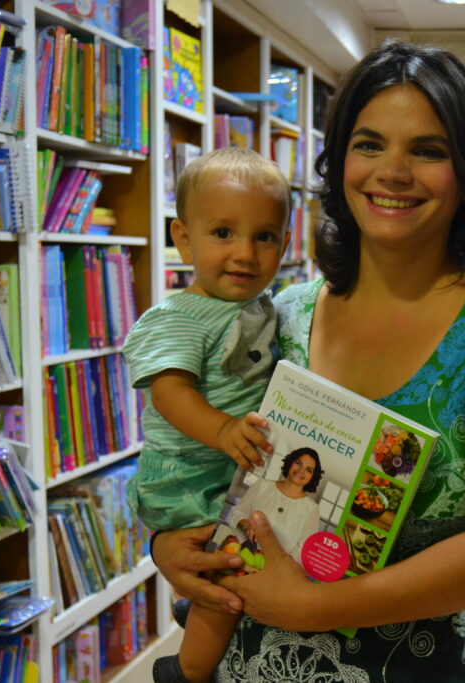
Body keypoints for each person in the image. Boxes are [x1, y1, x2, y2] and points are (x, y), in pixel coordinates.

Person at [151, 39, 465, 682]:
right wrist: (171, 548)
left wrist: (321, 606)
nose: (392, 172)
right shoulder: (280, 311)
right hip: (249, 663)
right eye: (369, 144)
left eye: (428, 150)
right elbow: (204, 456)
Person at [120, 146, 292, 683]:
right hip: (189, 478)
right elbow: (169, 393)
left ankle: (192, 626)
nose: (244, 252)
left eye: (263, 237)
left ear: (284, 245)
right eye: (223, 233)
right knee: (227, 576)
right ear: (184, 239)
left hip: (232, 471)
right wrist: (220, 429)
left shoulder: (267, 305)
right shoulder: (176, 316)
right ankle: (186, 671)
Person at [216, 447, 323, 567]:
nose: (301, 470)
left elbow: (303, 549)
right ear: (290, 462)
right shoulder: (262, 485)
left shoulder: (311, 509)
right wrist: (247, 526)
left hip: (274, 571)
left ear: (312, 477)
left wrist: (278, 563)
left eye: (309, 470)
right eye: (298, 463)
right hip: (238, 558)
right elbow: (236, 513)